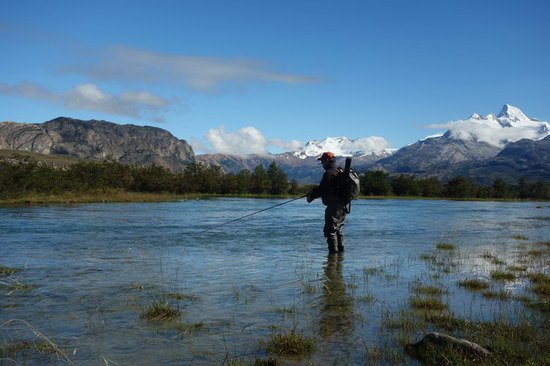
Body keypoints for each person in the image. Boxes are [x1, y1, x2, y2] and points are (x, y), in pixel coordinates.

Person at [307, 151, 348, 253]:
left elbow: (322, 189)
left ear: (326, 161)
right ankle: (339, 258)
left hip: (334, 207)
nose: (322, 164)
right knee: (338, 229)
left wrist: (311, 196)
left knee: (330, 230)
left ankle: (333, 255)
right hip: (344, 206)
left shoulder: (329, 173)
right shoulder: (339, 171)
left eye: (322, 161)